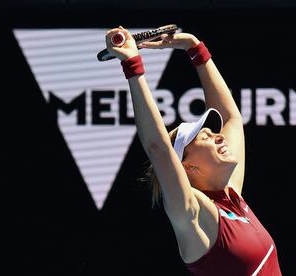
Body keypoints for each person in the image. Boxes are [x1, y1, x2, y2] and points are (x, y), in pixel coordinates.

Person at [105, 26, 282, 276]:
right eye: (205, 136)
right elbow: (158, 149)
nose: (218, 135)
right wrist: (133, 65)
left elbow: (230, 118)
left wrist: (194, 49)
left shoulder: (231, 198)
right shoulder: (196, 214)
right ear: (187, 166)